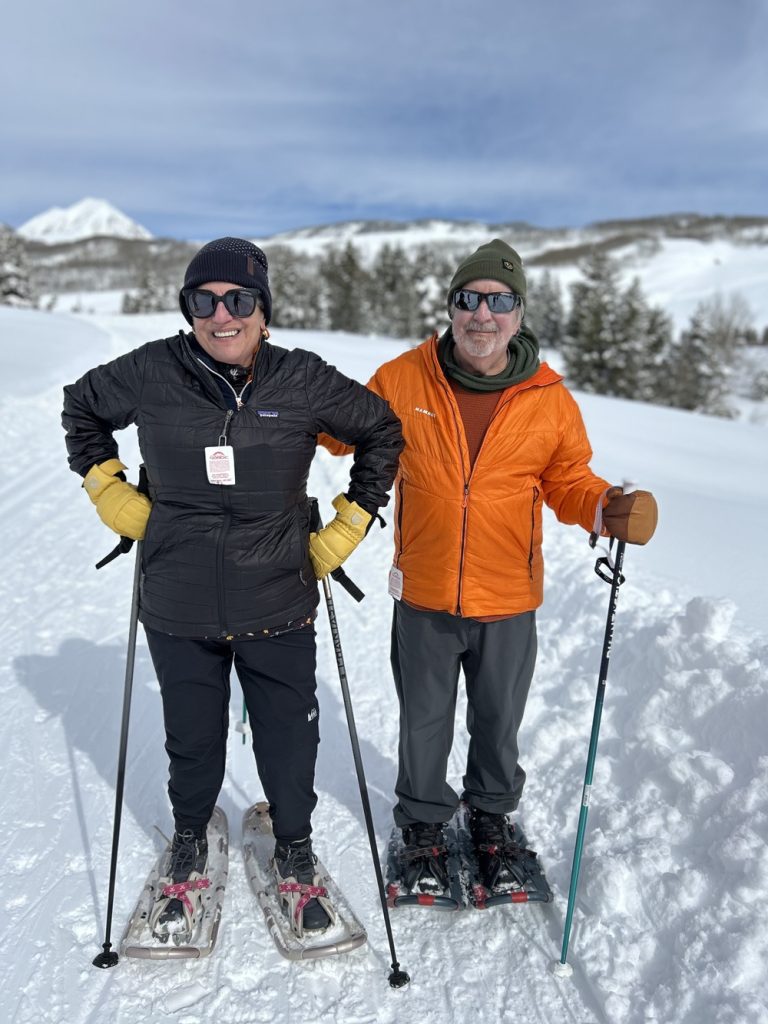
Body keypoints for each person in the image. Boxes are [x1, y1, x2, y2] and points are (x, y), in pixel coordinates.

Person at [62, 237, 403, 939]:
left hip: (278, 595)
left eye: (239, 299)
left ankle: (295, 848)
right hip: (176, 600)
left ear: (264, 312)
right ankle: (190, 840)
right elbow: (82, 408)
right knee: (192, 738)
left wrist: (352, 522)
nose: (222, 315)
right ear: (188, 309)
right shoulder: (153, 371)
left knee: (288, 740)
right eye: (204, 300)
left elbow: (381, 431)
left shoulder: (300, 379)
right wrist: (108, 488)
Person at [322, 238, 657, 896]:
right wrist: (278, 409)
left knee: (499, 718)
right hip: (423, 591)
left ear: (519, 312)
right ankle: (421, 823)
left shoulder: (547, 398)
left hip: (508, 595)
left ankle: (493, 819)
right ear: (450, 307)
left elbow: (567, 481)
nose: (483, 314)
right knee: (424, 718)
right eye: (469, 299)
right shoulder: (404, 378)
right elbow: (342, 430)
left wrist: (607, 510)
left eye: (499, 301)